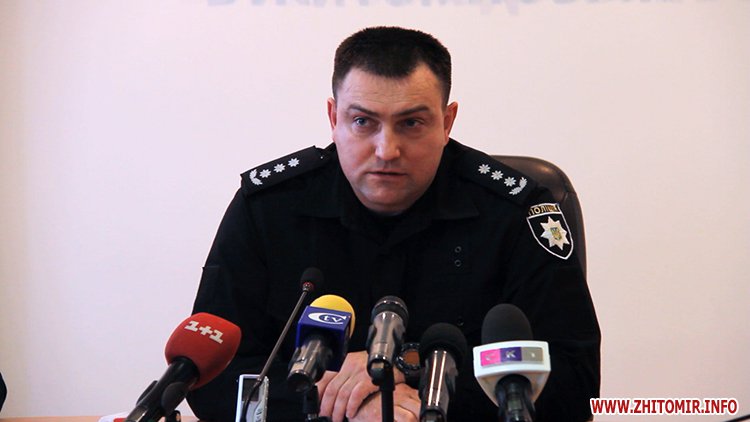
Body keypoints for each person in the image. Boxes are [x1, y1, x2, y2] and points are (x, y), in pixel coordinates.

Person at [187, 26, 600, 422]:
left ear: (447, 122)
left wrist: (417, 385)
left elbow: (576, 380)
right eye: (363, 122)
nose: (386, 150)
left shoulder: (514, 212)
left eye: (411, 123)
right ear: (333, 118)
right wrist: (342, 402)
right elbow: (207, 377)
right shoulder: (267, 209)